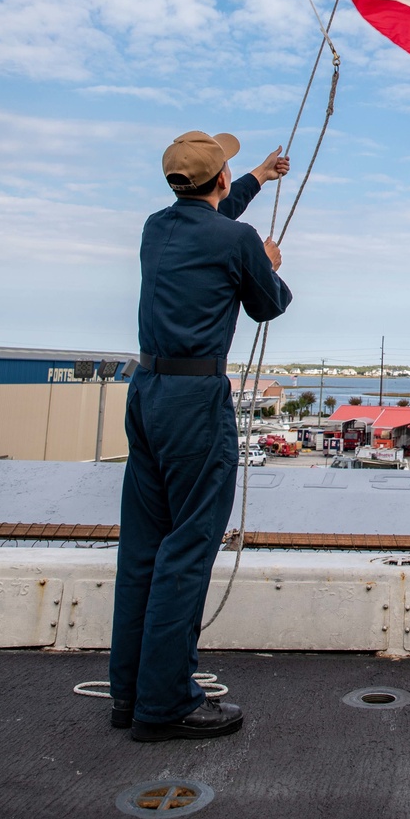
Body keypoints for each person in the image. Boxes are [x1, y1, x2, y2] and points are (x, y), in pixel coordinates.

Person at [109, 129, 292, 742]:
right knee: (187, 550)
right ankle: (165, 704)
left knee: (143, 550)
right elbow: (269, 305)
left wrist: (259, 178)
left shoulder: (155, 229)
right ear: (217, 180)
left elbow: (210, 221)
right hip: (195, 402)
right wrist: (267, 264)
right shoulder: (237, 242)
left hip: (147, 395)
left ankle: (130, 694)